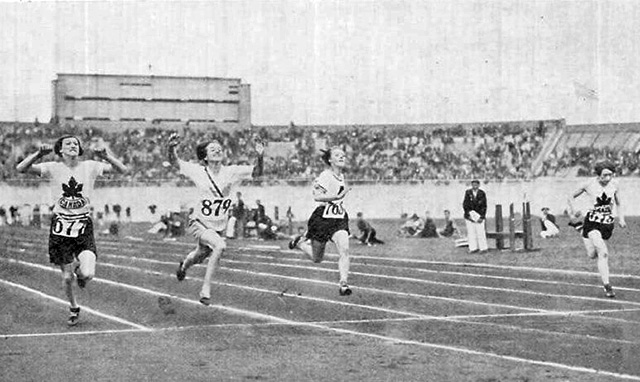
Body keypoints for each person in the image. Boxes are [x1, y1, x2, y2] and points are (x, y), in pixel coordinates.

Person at [16, 135, 128, 326]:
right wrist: (38, 154)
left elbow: (123, 170)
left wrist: (106, 156)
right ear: (60, 150)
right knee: (67, 278)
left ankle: (79, 270)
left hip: (83, 225)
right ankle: (74, 307)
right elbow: (21, 168)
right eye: (68, 143)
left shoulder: (90, 166)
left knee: (88, 274)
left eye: (75, 143)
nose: (73, 146)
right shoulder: (52, 167)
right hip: (61, 228)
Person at [168, 133, 264, 305]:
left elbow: (257, 173)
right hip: (200, 222)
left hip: (219, 225)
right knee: (220, 246)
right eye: (212, 149)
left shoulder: (232, 172)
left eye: (219, 148)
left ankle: (184, 266)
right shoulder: (198, 171)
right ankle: (205, 289)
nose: (217, 150)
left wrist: (260, 155)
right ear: (205, 156)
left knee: (201, 254)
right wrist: (171, 148)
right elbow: (176, 163)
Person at [288, 147, 353, 296]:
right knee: (317, 258)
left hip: (338, 218)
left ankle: (343, 283)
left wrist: (339, 199)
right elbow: (317, 196)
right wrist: (336, 197)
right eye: (338, 155)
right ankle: (300, 244)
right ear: (330, 160)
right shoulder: (325, 175)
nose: (342, 157)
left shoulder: (342, 176)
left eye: (343, 155)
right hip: (322, 219)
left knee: (345, 249)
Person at [567, 161, 626, 298]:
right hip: (592, 222)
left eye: (610, 175)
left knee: (592, 254)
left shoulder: (614, 185)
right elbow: (571, 196)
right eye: (605, 175)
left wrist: (621, 218)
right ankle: (607, 285)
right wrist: (575, 209)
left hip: (607, 224)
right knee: (603, 252)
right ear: (598, 175)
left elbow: (619, 203)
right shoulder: (589, 184)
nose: (608, 178)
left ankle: (580, 228)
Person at [462, 179, 488, 253]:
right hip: (470, 215)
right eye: (473, 185)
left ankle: (483, 248)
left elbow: (484, 206)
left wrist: (482, 217)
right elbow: (465, 205)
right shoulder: (468, 193)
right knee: (471, 232)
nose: (474, 186)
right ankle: (473, 248)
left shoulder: (482, 193)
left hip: (479, 215)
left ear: (479, 185)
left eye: (476, 185)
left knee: (480, 232)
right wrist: (468, 215)